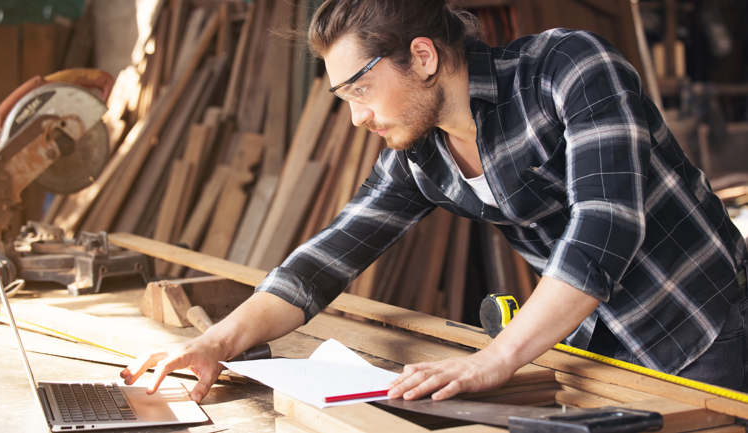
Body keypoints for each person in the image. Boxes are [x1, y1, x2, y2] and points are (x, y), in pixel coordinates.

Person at [121, 0, 748, 403]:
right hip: (599, 348)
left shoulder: (572, 68)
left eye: (361, 88)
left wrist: (493, 361)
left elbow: (603, 233)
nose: (358, 117)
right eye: (344, 98)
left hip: (703, 330)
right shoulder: (420, 156)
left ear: (422, 56)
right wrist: (217, 343)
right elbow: (323, 261)